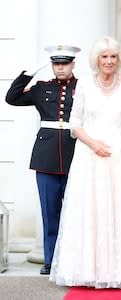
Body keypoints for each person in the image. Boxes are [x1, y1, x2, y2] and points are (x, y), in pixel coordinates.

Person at [49, 37, 121, 290]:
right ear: (96, 60)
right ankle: (88, 269)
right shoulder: (85, 84)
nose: (109, 61)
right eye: (104, 57)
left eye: (113, 57)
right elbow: (75, 124)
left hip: (118, 158)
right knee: (91, 210)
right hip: (89, 156)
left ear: (119, 59)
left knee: (120, 211)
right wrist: (94, 144)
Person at [5, 45, 80, 275]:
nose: (60, 67)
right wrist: (30, 72)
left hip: (76, 155)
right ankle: (50, 259)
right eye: (56, 63)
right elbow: (12, 98)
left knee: (75, 211)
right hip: (46, 157)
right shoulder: (41, 88)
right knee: (50, 212)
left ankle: (73, 259)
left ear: (73, 64)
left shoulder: (84, 88)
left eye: (64, 63)